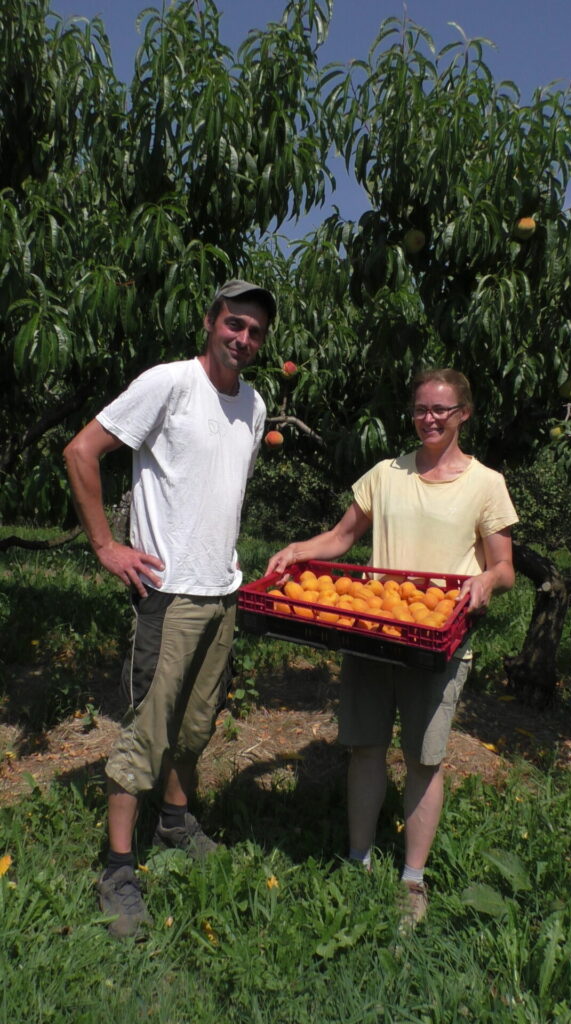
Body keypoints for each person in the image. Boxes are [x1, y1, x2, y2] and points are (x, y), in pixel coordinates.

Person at [266, 369, 517, 930]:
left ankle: (412, 879)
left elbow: (504, 567)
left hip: (437, 640)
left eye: (441, 410)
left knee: (424, 760)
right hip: (374, 633)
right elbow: (342, 537)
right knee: (365, 748)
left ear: (463, 414)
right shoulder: (386, 473)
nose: (429, 419)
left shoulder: (486, 483)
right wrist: (298, 550)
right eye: (421, 408)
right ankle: (358, 859)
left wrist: (486, 581)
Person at [64, 278, 276, 937]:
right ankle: (117, 870)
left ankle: (176, 825)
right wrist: (106, 545)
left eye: (255, 331)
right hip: (169, 592)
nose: (243, 338)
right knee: (147, 733)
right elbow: (81, 450)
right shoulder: (170, 383)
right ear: (210, 322)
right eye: (234, 323)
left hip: (222, 591)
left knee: (196, 726)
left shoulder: (254, 405)